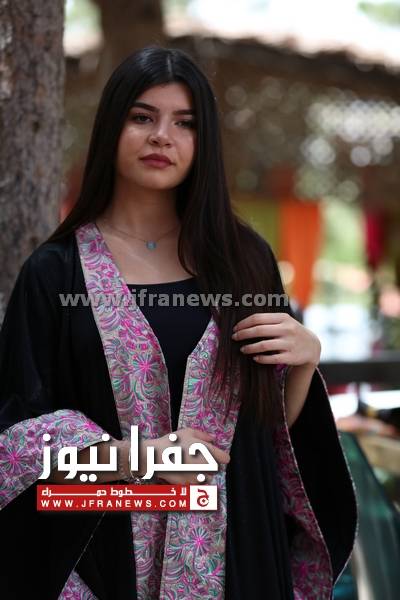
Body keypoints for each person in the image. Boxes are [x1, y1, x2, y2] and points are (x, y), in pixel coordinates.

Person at [0, 46, 357, 600]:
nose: (162, 136)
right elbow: (14, 440)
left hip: (238, 549)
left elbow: (265, 432)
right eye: (143, 117)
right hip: (106, 553)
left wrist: (306, 362)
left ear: (203, 141)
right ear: (111, 128)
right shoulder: (55, 272)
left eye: (184, 123)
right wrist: (140, 457)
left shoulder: (244, 261)